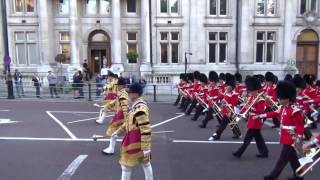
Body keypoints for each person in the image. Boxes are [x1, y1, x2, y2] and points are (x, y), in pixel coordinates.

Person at [253, 81, 304, 180]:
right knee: (292, 158)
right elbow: (273, 113)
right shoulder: (283, 107)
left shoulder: (295, 110)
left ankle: (273, 176)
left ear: (288, 98)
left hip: (292, 137)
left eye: (281, 98)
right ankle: (299, 174)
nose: (279, 100)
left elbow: (300, 126)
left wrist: (298, 138)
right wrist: (260, 115)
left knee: (283, 159)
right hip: (285, 135)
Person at [111, 83, 153, 180]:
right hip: (135, 139)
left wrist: (146, 147)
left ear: (135, 94)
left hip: (136, 140)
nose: (128, 94)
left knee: (126, 166)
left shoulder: (140, 109)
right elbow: (128, 123)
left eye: (130, 92)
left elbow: (145, 129)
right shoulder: (136, 106)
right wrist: (118, 132)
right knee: (145, 163)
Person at [232, 76, 269, 159]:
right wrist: (238, 113)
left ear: (256, 89)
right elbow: (245, 107)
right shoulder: (252, 97)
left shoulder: (260, 99)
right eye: (250, 90)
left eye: (251, 90)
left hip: (256, 120)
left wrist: (251, 108)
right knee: (258, 138)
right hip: (251, 120)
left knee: (247, 139)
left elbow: (261, 111)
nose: (250, 92)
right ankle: (264, 152)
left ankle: (239, 152)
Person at [209, 73, 241, 140]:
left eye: (228, 86)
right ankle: (237, 133)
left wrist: (230, 112)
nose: (226, 87)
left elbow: (234, 104)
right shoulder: (227, 92)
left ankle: (217, 134)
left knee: (223, 124)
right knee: (231, 122)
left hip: (230, 111)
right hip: (225, 110)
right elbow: (224, 98)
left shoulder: (234, 94)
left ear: (232, 87)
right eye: (226, 86)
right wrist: (221, 101)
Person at [102, 77, 128, 155]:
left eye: (118, 85)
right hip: (119, 115)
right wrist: (107, 106)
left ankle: (112, 149)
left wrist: (126, 119)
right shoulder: (121, 93)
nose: (117, 86)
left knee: (114, 133)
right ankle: (112, 148)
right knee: (117, 133)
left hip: (121, 116)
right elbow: (115, 101)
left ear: (121, 86)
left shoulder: (123, 94)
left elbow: (125, 108)